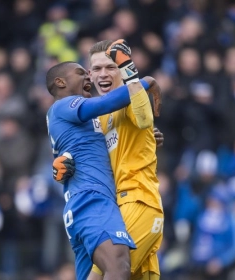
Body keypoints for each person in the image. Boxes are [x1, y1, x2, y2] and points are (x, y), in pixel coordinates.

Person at [46, 39, 159, 280]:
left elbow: (144, 119)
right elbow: (81, 151)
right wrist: (61, 164)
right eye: (95, 69)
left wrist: (138, 79)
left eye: (110, 67)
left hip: (137, 200)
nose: (100, 74)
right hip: (112, 206)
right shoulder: (96, 118)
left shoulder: (130, 95)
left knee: (111, 271)